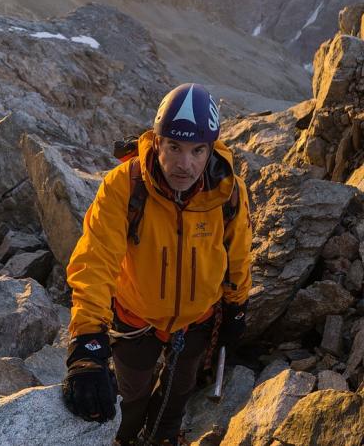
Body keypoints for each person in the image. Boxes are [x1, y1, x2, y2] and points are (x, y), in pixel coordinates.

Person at [61, 83, 253, 446]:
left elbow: (238, 252)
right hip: (135, 319)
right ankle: (125, 437)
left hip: (197, 321)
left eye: (198, 150)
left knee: (176, 396)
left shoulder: (228, 191)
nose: (185, 164)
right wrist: (87, 341)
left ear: (211, 148)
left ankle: (161, 439)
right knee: (129, 397)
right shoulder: (126, 185)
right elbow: (96, 259)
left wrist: (236, 306)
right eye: (174, 147)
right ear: (157, 140)